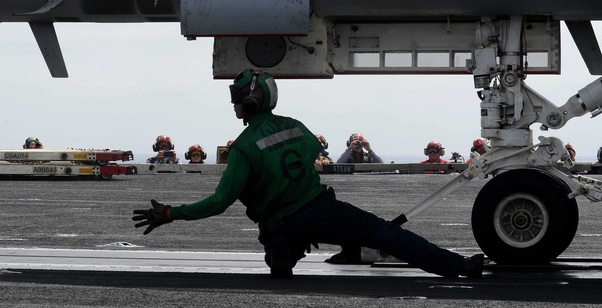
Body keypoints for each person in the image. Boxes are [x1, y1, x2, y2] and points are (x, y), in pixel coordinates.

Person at [131, 70, 483, 278]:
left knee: (278, 236)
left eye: (237, 96)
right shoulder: (295, 127)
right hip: (321, 207)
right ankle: (461, 267)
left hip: (281, 220)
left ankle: (282, 247)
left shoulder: (243, 147)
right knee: (386, 234)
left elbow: (219, 202)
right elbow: (314, 152)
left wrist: (169, 214)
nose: (234, 102)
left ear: (251, 101)